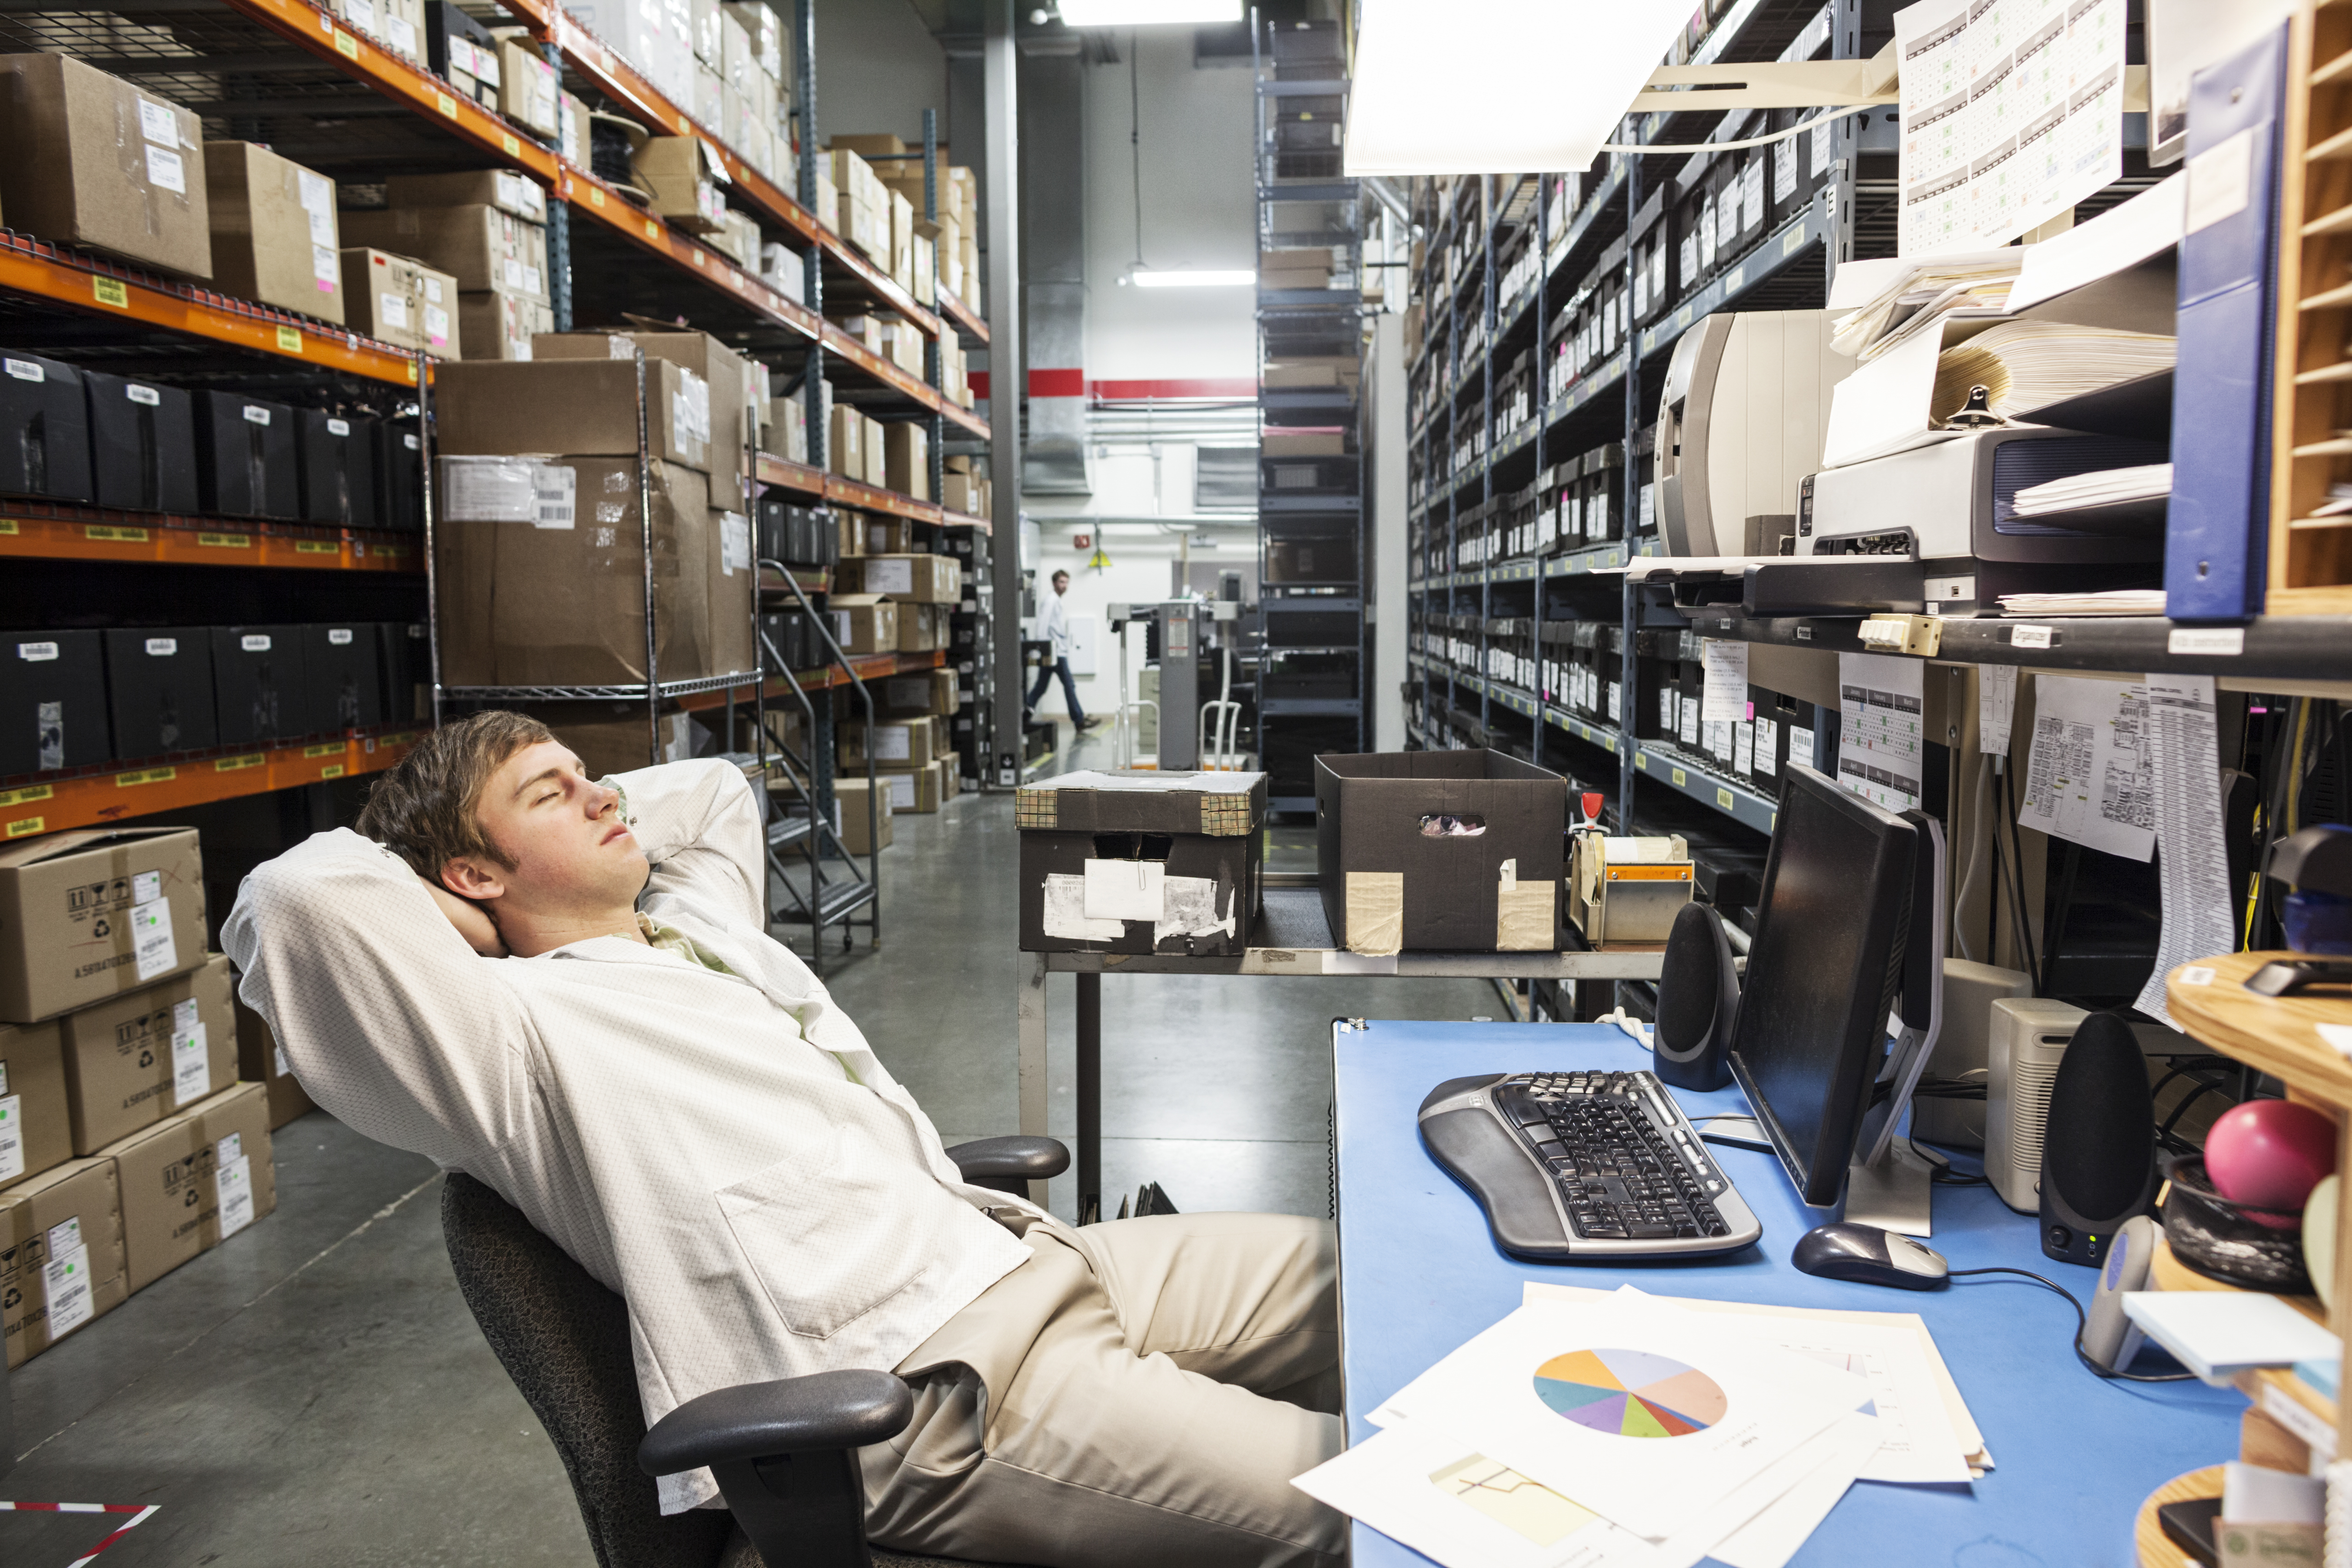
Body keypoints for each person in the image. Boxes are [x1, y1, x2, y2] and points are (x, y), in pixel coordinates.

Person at [224, 711, 1342, 1568]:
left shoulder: (691, 921)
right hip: (931, 1383)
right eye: (550, 794)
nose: (605, 794)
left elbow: (712, 791)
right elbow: (293, 902)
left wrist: (554, 830)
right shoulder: (505, 1040)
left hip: (1019, 1252)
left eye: (589, 772)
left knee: (1364, 1274)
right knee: (1365, 1496)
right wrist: (457, 909)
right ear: (469, 874)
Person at [1026, 568, 1101, 730]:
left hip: (1055, 650)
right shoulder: (1051, 600)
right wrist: (1041, 649)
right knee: (1069, 684)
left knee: (1041, 686)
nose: (1064, 586)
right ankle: (1079, 719)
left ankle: (1026, 711)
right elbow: (1043, 624)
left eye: (1066, 582)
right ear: (1054, 583)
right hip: (1054, 652)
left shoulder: (1056, 600)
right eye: (1061, 582)